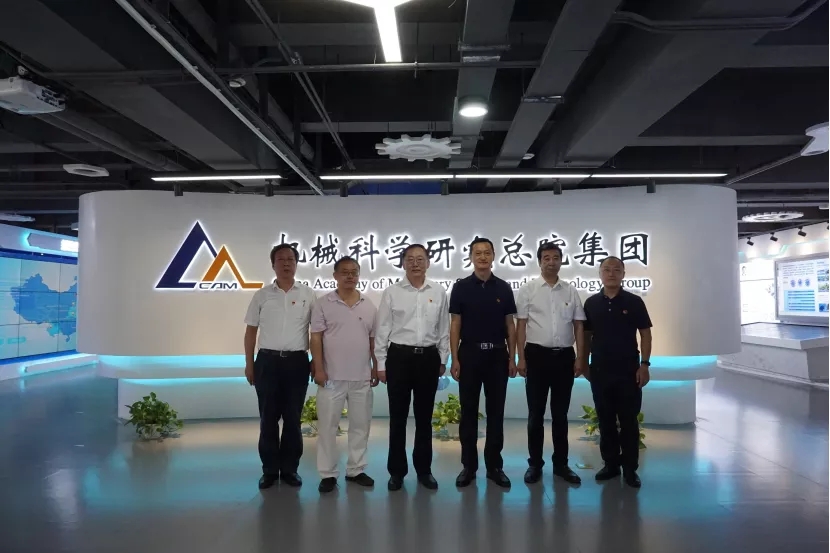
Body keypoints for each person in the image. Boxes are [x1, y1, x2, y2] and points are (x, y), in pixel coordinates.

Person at [374, 244, 450, 491]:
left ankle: (424, 470)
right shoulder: (392, 292)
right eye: (410, 259)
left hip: (428, 358)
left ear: (428, 262)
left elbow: (443, 329)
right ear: (403, 263)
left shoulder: (438, 291)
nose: (415, 263)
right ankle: (396, 472)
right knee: (397, 418)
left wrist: (442, 359)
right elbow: (383, 329)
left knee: (424, 418)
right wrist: (381, 363)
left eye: (420, 258)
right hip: (399, 357)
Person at [244, 244, 315, 490]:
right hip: (267, 362)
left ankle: (290, 469)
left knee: (293, 419)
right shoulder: (262, 295)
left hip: (297, 362)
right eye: (281, 259)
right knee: (268, 418)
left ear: (296, 263)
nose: (286, 263)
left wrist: (316, 361)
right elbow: (250, 332)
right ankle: (269, 470)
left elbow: (316, 332)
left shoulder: (308, 294)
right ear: (273, 264)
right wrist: (249, 364)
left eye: (290, 259)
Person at [449, 237, 517, 489]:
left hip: (497, 356)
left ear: (493, 256)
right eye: (477, 253)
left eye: (487, 252)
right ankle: (468, 466)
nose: (482, 257)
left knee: (496, 413)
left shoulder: (504, 288)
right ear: (470, 257)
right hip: (469, 355)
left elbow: (510, 325)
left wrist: (513, 357)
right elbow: (455, 324)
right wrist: (454, 357)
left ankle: (494, 466)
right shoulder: (461, 287)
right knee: (468, 412)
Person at [516, 242, 586, 485]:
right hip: (536, 356)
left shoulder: (570, 291)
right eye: (546, 258)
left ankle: (561, 464)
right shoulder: (528, 289)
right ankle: (535, 464)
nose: (551, 262)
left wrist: (580, 357)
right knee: (535, 414)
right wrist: (521, 357)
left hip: (564, 357)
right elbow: (521, 326)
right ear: (539, 262)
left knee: (560, 414)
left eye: (556, 257)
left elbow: (578, 326)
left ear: (561, 261)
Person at [310, 256, 379, 493]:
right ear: (335, 276)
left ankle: (356, 469)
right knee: (328, 427)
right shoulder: (323, 303)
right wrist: (319, 368)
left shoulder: (368, 305)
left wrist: (375, 366)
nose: (350, 276)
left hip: (361, 376)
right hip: (331, 377)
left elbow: (373, 340)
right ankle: (328, 474)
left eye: (354, 272)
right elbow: (316, 338)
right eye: (345, 272)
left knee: (360, 426)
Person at [582, 256, 652, 488]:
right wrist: (583, 362)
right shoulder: (591, 303)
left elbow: (645, 334)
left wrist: (644, 364)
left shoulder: (634, 301)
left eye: (616, 270)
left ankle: (630, 469)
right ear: (600, 274)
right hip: (600, 370)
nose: (611, 273)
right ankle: (610, 464)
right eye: (606, 270)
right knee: (605, 420)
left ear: (623, 274)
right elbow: (586, 336)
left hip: (629, 371)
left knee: (629, 421)